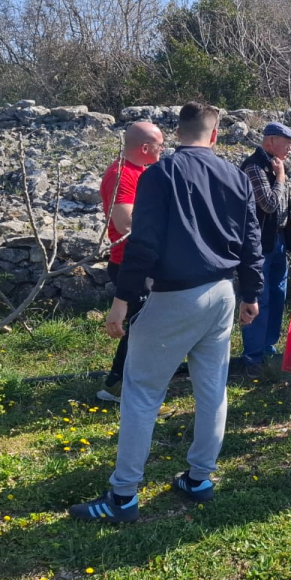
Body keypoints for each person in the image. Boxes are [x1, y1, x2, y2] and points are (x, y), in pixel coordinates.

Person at [69, 102, 263, 522]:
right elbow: (251, 238)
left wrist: (122, 299)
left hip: (176, 295)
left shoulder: (161, 174)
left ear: (177, 133)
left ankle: (123, 496)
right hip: (223, 292)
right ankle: (199, 478)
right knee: (212, 389)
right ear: (214, 135)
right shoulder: (235, 175)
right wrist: (252, 292)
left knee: (141, 393)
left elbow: (143, 242)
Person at [96, 121, 164, 404]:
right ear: (145, 148)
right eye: (160, 145)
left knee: (144, 327)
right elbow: (126, 224)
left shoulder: (138, 171)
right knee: (142, 329)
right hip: (129, 263)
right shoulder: (122, 175)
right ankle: (119, 386)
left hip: (141, 261)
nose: (163, 149)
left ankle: (123, 383)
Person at [235, 121, 291, 373]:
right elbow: (269, 204)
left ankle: (268, 346)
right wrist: (281, 177)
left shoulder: (274, 164)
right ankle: (252, 355)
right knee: (259, 297)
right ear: (270, 141)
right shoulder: (254, 166)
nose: (290, 149)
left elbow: (280, 202)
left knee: (278, 295)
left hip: (278, 240)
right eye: (286, 143)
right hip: (259, 244)